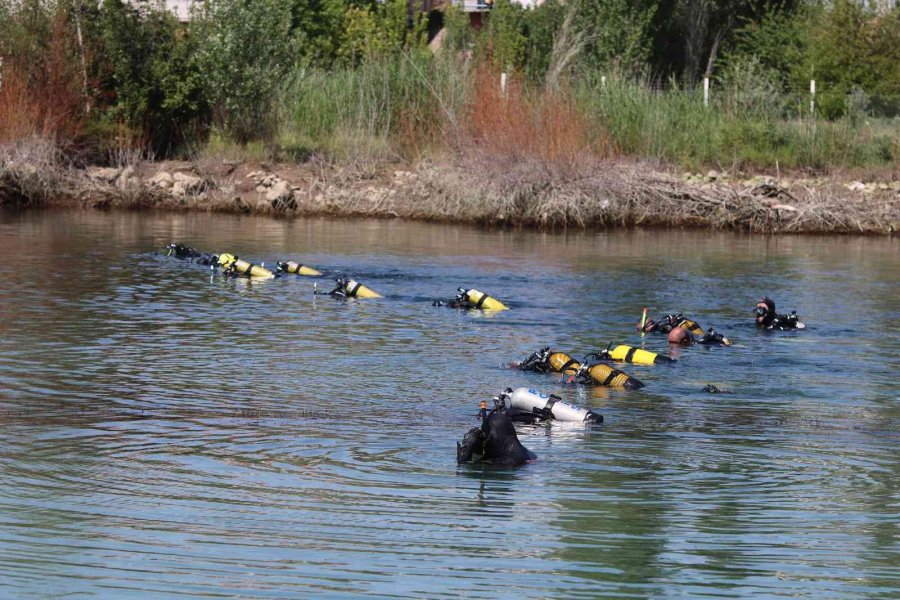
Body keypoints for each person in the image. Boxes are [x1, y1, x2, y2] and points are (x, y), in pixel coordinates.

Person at [457, 401, 536, 466]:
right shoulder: (526, 453)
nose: (487, 437)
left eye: (490, 432)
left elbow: (474, 467)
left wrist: (464, 456)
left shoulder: (506, 460)